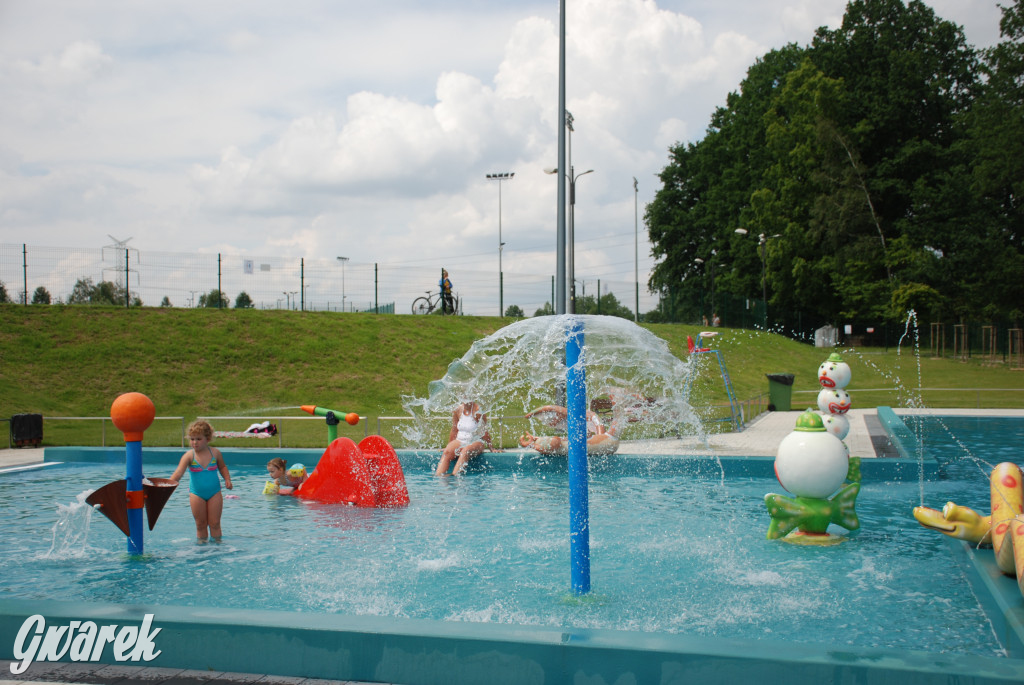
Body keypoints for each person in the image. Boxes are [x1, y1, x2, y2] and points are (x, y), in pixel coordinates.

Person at [170, 420, 233, 541]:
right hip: (196, 494)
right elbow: (178, 473)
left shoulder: (215, 453)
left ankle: (218, 546)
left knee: (215, 523)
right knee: (200, 524)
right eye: (192, 439)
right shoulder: (189, 456)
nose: (195, 442)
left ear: (208, 439)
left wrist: (227, 479)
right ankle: (202, 548)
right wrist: (166, 486)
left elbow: (222, 467)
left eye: (198, 439)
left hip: (214, 493)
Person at [518, 404, 619, 456]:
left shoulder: (557, 441)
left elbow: (553, 408)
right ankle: (619, 406)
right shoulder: (560, 441)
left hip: (601, 440)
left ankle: (619, 406)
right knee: (616, 420)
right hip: (603, 442)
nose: (551, 424)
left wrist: (531, 444)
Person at [435, 400, 491, 475]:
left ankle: (454, 476)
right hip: (460, 440)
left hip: (476, 441)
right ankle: (438, 477)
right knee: (447, 452)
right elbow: (454, 429)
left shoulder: (477, 410)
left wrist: (491, 447)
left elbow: (484, 431)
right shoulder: (458, 410)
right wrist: (449, 446)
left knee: (465, 451)